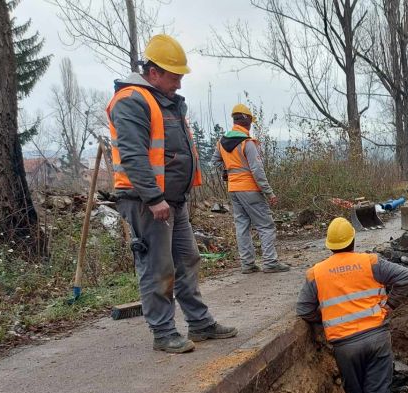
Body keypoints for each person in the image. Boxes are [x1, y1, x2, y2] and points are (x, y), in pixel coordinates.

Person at [107, 34, 237, 353]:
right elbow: (134, 155)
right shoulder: (132, 101)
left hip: (173, 202)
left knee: (188, 259)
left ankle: (200, 323)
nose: (178, 83)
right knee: (157, 267)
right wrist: (153, 198)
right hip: (147, 202)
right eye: (174, 76)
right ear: (154, 72)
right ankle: (163, 332)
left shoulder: (167, 103)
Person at [296, 218, 408, 393]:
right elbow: (406, 277)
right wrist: (389, 307)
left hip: (344, 346)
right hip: (376, 338)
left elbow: (304, 309)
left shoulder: (315, 273)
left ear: (329, 245)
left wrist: (326, 319)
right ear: (352, 240)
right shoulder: (369, 262)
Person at [212, 104, 289, 274]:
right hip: (251, 190)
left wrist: (227, 172)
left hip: (234, 189)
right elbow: (257, 170)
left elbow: (216, 161)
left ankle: (247, 264)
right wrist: (269, 192)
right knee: (266, 226)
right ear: (247, 121)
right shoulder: (247, 143)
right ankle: (270, 262)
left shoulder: (221, 142)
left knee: (242, 226)